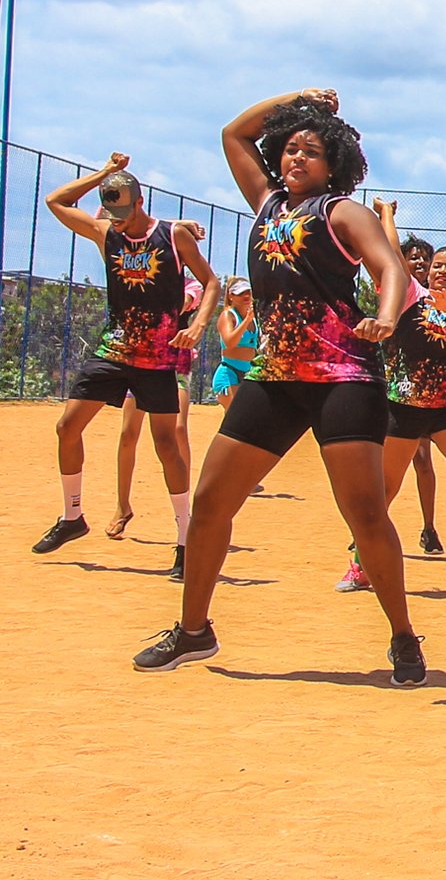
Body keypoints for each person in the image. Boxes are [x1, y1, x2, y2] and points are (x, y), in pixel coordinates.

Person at [131, 89, 427, 686]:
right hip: (275, 375)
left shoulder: (342, 212)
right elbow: (233, 134)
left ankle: (402, 635)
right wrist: (299, 99)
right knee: (212, 502)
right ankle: (194, 631)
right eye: (291, 148)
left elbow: (389, 268)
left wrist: (386, 315)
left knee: (365, 513)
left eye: (311, 151)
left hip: (343, 376)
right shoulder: (266, 203)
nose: (297, 158)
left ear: (333, 163)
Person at [35, 155, 219, 577]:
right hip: (114, 350)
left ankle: (186, 540)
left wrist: (199, 325)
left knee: (166, 444)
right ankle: (72, 517)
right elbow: (56, 201)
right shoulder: (106, 233)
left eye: (124, 213)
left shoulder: (173, 236)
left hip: (157, 357)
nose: (117, 222)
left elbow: (211, 282)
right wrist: (103, 173)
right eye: (111, 214)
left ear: (140, 202)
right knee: (67, 427)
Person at [335, 199, 446, 595]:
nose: (441, 270)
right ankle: (360, 565)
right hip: (402, 408)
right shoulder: (408, 294)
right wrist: (387, 215)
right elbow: (389, 254)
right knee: (384, 490)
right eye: (437, 265)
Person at [106, 271, 206, 574]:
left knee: (177, 430)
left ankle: (185, 516)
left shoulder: (191, 284)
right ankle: (122, 506)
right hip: (141, 364)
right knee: (128, 434)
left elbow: (183, 302)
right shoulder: (146, 275)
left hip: (174, 366)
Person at [397, 233, 444, 553]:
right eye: (413, 257)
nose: (420, 262)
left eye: (426, 258)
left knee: (423, 461)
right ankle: (366, 528)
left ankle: (429, 528)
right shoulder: (401, 289)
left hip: (423, 390)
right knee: (385, 467)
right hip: (395, 386)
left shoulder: (436, 299)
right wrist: (387, 218)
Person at [211, 277, 258, 411]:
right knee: (237, 414)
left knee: (250, 415)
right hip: (229, 373)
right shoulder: (228, 316)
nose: (246, 296)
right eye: (241, 293)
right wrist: (246, 320)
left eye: (248, 292)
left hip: (249, 372)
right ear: (231, 296)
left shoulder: (254, 319)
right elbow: (230, 342)